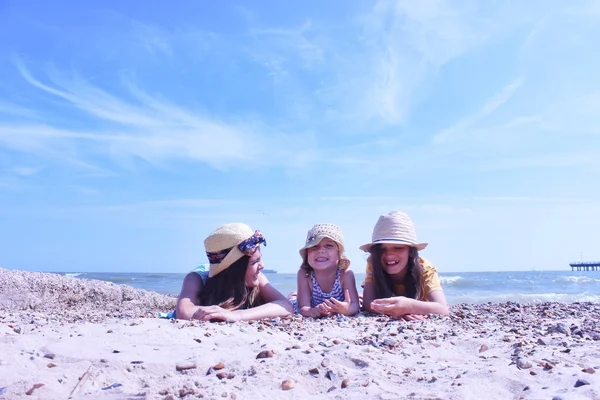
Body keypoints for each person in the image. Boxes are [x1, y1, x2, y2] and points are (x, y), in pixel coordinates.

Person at [175, 223, 293, 321]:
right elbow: (184, 312)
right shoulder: (196, 278)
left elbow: (285, 305)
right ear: (234, 268)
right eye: (254, 262)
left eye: (260, 259)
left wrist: (236, 315)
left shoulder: (257, 278)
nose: (262, 266)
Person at [361, 211, 449, 319]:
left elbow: (443, 308)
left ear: (411, 251)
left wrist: (409, 306)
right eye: (381, 249)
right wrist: (395, 311)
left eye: (398, 247)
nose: (389, 254)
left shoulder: (425, 268)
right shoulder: (374, 264)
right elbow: (367, 303)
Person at [295, 223, 360, 318]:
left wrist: (346, 309)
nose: (321, 250)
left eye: (329, 246)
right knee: (291, 302)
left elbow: (354, 304)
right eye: (314, 246)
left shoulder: (345, 274)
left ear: (339, 253)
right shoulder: (305, 274)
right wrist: (312, 311)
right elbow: (302, 307)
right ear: (307, 253)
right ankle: (294, 295)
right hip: (313, 305)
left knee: (360, 299)